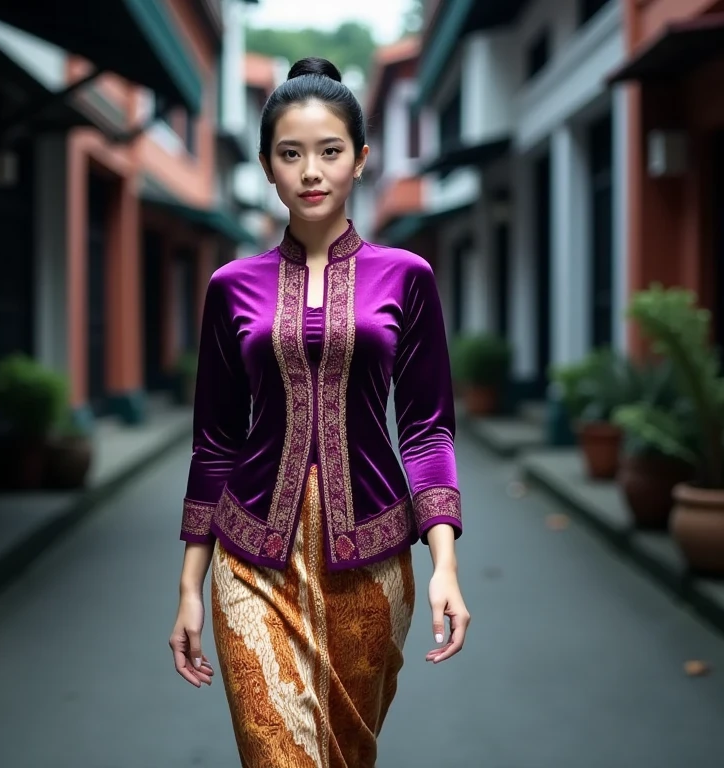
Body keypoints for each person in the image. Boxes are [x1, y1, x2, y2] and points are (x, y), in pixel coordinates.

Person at [168, 56, 470, 768]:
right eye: (290, 154)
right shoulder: (229, 286)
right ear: (269, 169)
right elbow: (214, 441)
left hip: (371, 561)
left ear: (360, 159)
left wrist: (445, 564)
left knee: (345, 757)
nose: (311, 171)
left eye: (330, 151)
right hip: (249, 560)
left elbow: (426, 426)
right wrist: (188, 585)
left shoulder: (409, 278)